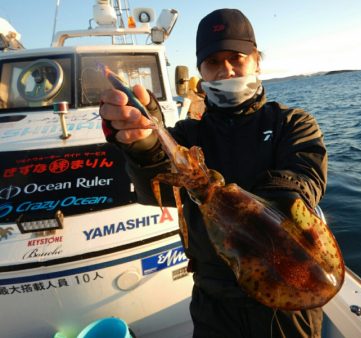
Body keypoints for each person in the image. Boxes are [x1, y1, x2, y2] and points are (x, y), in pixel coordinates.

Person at [100, 8, 327, 338]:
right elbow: (159, 187)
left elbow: (303, 182)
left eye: (236, 58)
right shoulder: (188, 136)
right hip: (213, 300)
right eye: (213, 62)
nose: (226, 70)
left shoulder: (292, 124)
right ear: (201, 72)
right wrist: (144, 143)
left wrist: (234, 198)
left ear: (256, 60)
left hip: (287, 291)